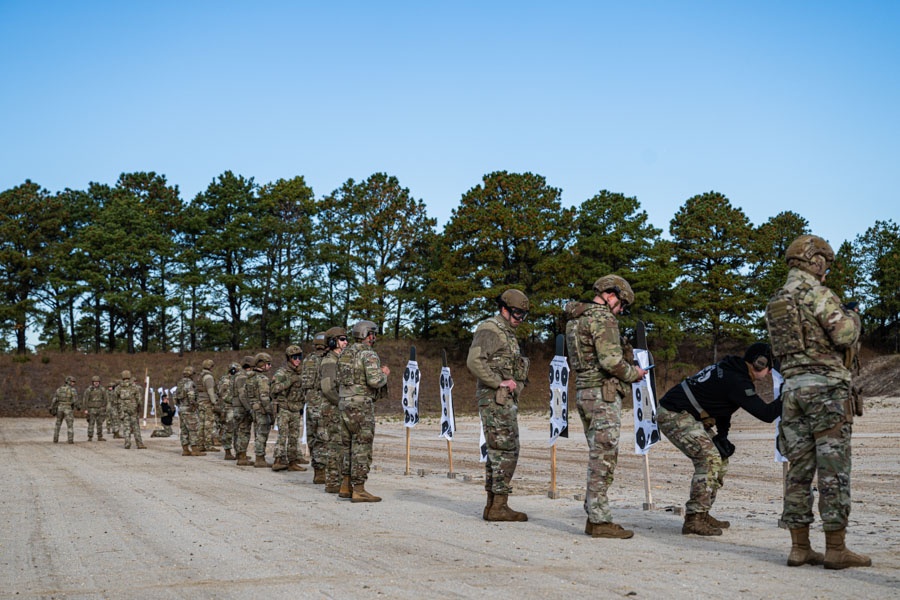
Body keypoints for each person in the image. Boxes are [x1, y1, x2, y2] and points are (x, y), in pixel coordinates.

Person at [765, 234, 871, 570]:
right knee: (832, 471)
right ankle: (836, 549)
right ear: (816, 261)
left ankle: (799, 548)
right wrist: (853, 317)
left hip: (792, 392)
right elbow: (844, 335)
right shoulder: (817, 294)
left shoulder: (776, 301)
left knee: (798, 472)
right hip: (826, 391)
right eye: (824, 263)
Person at [658, 342, 782, 536]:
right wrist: (788, 395)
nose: (770, 372)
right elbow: (766, 414)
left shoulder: (732, 369)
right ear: (759, 363)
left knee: (720, 460)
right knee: (709, 459)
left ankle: (702, 512)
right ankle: (694, 519)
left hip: (686, 414)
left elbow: (725, 408)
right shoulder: (737, 380)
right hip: (673, 413)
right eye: (769, 367)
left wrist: (722, 436)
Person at [564, 276, 647, 538]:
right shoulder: (603, 318)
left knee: (598, 453)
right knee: (604, 456)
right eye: (621, 304)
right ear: (610, 295)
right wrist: (634, 373)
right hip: (602, 394)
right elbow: (611, 362)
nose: (620, 310)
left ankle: (595, 515)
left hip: (584, 391)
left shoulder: (576, 319)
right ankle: (599, 519)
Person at [467, 289, 531, 522]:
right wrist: (498, 382)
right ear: (503, 308)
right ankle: (498, 505)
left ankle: (493, 505)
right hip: (496, 399)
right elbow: (474, 361)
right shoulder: (491, 329)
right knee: (506, 449)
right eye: (516, 313)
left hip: (502, 399)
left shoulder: (506, 333)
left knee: (498, 450)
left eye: (523, 314)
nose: (520, 318)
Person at [337, 320, 389, 502]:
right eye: (372, 334)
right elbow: (375, 381)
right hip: (360, 405)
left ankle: (345, 485)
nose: (374, 337)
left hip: (344, 402)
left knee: (346, 445)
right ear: (368, 334)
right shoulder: (368, 354)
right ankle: (358, 489)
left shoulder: (345, 353)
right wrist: (384, 374)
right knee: (361, 445)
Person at [320, 326, 349, 493]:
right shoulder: (329, 361)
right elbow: (328, 388)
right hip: (333, 408)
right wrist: (343, 402)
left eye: (346, 339)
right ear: (333, 342)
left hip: (338, 406)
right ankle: (332, 481)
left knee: (340, 444)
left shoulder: (339, 360)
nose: (346, 342)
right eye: (342, 339)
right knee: (335, 445)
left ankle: (337, 479)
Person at [271, 345, 307, 472]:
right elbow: (273, 389)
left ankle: (292, 462)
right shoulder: (282, 373)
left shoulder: (302, 372)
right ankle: (278, 460)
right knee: (282, 435)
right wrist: (289, 382)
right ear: (289, 358)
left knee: (294, 437)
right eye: (294, 357)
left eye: (299, 357)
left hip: (296, 409)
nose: (297, 360)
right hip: (284, 408)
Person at [302, 332, 329, 481]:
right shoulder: (327, 359)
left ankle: (317, 469)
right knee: (323, 436)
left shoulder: (308, 359)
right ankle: (321, 470)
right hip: (323, 400)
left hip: (310, 400)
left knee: (312, 435)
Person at [246, 352, 274, 468]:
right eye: (268, 364)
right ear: (262, 364)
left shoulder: (250, 378)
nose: (270, 366)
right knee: (262, 434)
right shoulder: (262, 379)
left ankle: (259, 457)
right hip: (262, 410)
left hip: (254, 408)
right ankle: (260, 459)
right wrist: (270, 411)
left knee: (257, 434)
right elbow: (264, 397)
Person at [175, 366, 204, 456]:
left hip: (181, 408)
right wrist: (194, 404)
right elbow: (191, 395)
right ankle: (195, 449)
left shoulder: (180, 383)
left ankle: (185, 449)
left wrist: (179, 405)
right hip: (189, 409)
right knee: (193, 429)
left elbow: (175, 396)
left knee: (184, 429)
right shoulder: (190, 383)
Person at [233, 356, 256, 466]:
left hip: (237, 407)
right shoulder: (242, 377)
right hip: (242, 408)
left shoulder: (237, 375)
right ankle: (242, 457)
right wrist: (249, 408)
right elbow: (242, 395)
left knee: (239, 432)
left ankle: (240, 454)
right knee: (244, 432)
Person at [118, 370, 146, 450]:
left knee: (126, 427)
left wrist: (119, 408)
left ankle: (127, 443)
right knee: (136, 427)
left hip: (123, 409)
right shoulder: (134, 387)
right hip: (133, 409)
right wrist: (139, 408)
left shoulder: (119, 387)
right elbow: (139, 399)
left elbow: (115, 399)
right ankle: (139, 444)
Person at [217, 363, 240, 459]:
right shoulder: (226, 380)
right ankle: (228, 452)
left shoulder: (233, 379)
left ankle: (239, 453)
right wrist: (235, 400)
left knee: (237, 431)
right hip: (228, 407)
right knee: (228, 430)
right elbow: (223, 394)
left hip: (233, 407)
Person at [197, 359, 220, 452]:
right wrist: (214, 402)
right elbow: (210, 391)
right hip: (207, 402)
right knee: (208, 424)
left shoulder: (200, 376)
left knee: (201, 424)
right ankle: (208, 445)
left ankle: (200, 444)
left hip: (200, 402)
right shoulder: (208, 377)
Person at [50, 375, 80, 444]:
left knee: (58, 424)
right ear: (68, 382)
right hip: (68, 408)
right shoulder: (72, 390)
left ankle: (55, 439)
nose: (73, 383)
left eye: (74, 382)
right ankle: (70, 440)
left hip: (60, 408)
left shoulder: (59, 389)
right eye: (72, 382)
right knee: (70, 425)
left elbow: (54, 399)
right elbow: (75, 400)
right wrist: (78, 407)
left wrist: (52, 407)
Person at [82, 375, 107, 441]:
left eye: (97, 382)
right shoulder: (89, 390)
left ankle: (100, 436)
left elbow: (105, 399)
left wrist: (103, 407)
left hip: (100, 408)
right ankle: (90, 436)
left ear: (99, 382)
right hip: (91, 409)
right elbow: (85, 400)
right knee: (91, 423)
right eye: (95, 382)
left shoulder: (102, 389)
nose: (96, 383)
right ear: (92, 382)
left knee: (100, 423)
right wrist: (85, 409)